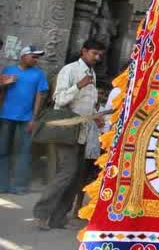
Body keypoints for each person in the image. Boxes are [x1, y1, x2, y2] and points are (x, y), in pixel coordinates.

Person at [33, 39, 105, 230]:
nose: (97, 58)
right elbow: (59, 98)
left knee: (76, 177)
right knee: (66, 174)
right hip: (66, 130)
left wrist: (96, 116)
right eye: (94, 53)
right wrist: (79, 85)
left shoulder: (92, 73)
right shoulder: (70, 70)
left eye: (100, 55)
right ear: (84, 51)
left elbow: (87, 104)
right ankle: (41, 214)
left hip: (84, 132)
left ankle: (58, 218)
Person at [0, 45, 47, 194]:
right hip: (5, 116)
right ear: (23, 56)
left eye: (37, 57)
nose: (36, 60)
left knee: (24, 152)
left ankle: (19, 187)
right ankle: (2, 185)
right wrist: (3, 84)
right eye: (33, 56)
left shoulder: (39, 74)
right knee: (2, 151)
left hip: (26, 118)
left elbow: (40, 96)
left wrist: (34, 118)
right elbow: (1, 92)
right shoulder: (8, 70)